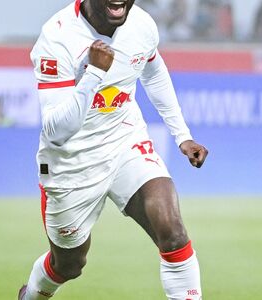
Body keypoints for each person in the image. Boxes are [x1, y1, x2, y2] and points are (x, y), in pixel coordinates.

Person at [19, 0, 209, 299]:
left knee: (172, 231)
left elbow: (154, 72)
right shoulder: (57, 37)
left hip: (124, 140)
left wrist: (182, 135)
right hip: (72, 161)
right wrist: (93, 73)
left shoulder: (142, 24)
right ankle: (30, 294)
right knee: (69, 264)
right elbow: (55, 131)